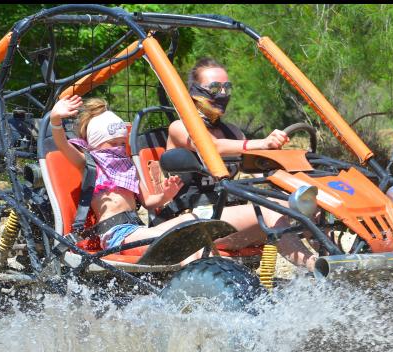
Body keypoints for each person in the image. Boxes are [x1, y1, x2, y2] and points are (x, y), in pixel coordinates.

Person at [50, 94, 317, 270]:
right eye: (113, 144)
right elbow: (62, 144)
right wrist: (56, 119)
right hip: (118, 236)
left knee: (198, 229)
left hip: (137, 231)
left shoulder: (128, 168)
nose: (119, 149)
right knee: (190, 229)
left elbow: (150, 202)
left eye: (122, 143)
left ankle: (316, 264)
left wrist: (166, 195)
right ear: (97, 144)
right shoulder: (91, 162)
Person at [165, 57, 318, 269]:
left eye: (227, 87)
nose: (222, 94)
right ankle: (317, 268)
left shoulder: (233, 132)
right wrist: (261, 143)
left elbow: (257, 171)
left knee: (308, 204)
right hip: (190, 220)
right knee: (268, 211)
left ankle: (345, 263)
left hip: (227, 213)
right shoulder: (178, 128)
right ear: (195, 91)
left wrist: (289, 181)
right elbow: (212, 147)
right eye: (215, 87)